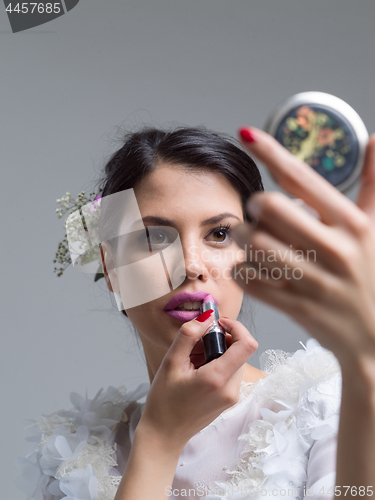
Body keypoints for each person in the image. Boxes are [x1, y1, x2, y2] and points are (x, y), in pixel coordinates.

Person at [17, 125, 375, 500]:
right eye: (154, 237)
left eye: (219, 234)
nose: (190, 265)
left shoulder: (328, 410)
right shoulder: (74, 460)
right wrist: (158, 439)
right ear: (110, 268)